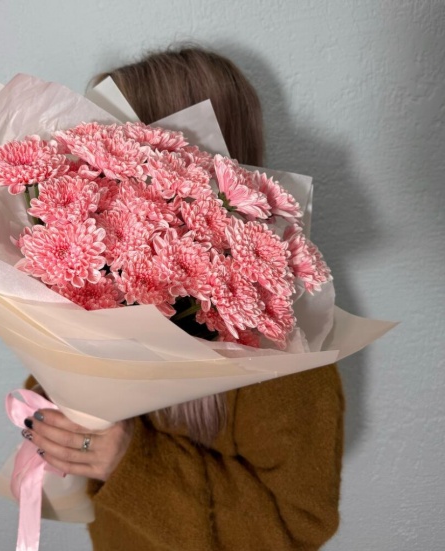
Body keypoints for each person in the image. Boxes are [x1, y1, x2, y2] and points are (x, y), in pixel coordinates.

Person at [21, 46, 344, 551]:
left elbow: (296, 528)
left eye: (114, 144)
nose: (90, 166)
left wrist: (130, 462)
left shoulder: (282, 352)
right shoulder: (104, 282)